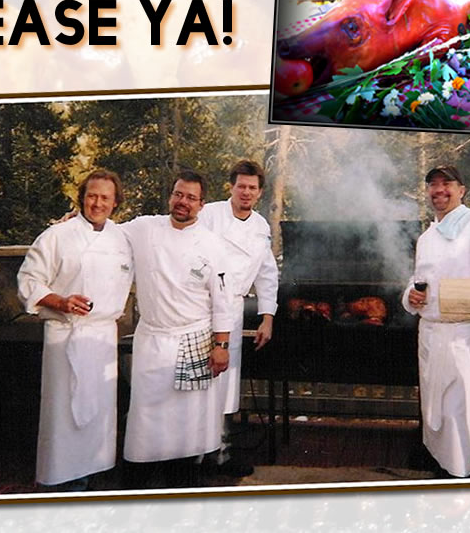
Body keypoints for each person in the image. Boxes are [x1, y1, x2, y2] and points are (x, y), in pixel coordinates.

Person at [17, 170, 134, 491]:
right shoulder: (58, 236)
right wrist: (62, 301)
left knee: (99, 414)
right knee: (64, 413)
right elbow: (29, 281)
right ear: (82, 197)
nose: (97, 203)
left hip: (102, 338)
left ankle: (96, 472)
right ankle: (61, 481)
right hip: (66, 335)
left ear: (115, 203)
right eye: (92, 195)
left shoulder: (122, 238)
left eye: (105, 198)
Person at [121, 170, 235, 488]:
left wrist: (221, 347)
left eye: (190, 197)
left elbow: (222, 300)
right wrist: (76, 221)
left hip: (194, 339)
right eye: (178, 194)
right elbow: (106, 234)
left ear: (201, 204)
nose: (182, 202)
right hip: (152, 339)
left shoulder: (213, 245)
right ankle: (136, 483)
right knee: (144, 415)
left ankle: (180, 483)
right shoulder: (144, 228)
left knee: (187, 424)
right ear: (171, 196)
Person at [402, 165, 470, 478]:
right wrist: (410, 295)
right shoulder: (427, 236)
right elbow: (418, 278)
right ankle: (438, 462)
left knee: (459, 407)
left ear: (461, 189)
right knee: (434, 406)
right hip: (430, 332)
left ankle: (461, 473)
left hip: (460, 332)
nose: (439, 190)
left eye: (446, 184)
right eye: (432, 185)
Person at [197, 159, 279, 477]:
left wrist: (267, 317)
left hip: (231, 312)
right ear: (231, 187)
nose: (246, 192)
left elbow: (267, 274)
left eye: (252, 188)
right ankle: (191, 454)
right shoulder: (208, 214)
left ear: (259, 193)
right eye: (241, 186)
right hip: (201, 308)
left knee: (225, 383)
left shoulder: (260, 227)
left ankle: (220, 452)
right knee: (199, 382)